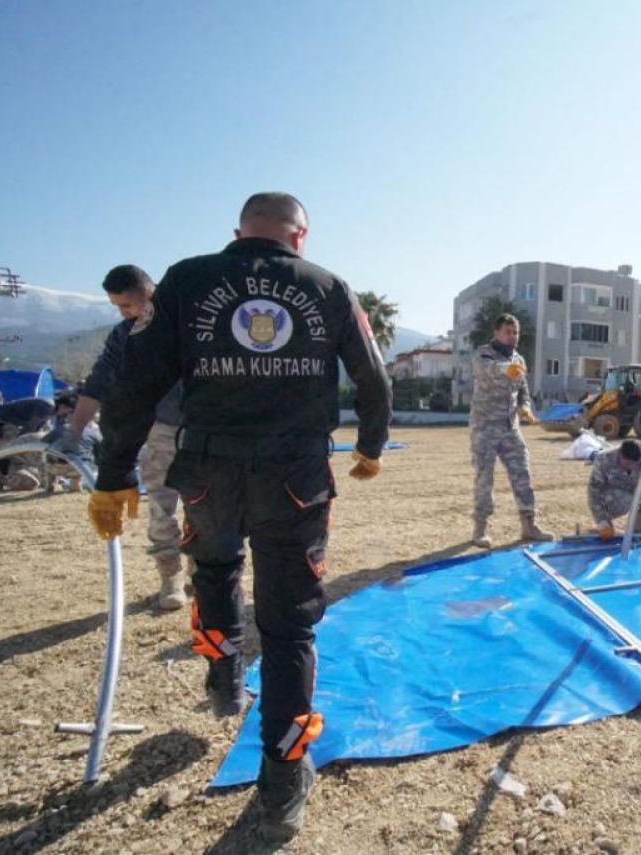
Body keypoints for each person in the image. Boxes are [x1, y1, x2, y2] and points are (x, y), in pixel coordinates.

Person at [87, 192, 392, 843]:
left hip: (207, 474)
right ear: (299, 237)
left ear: (239, 233)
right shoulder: (327, 285)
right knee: (288, 628)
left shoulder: (188, 279)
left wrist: (113, 474)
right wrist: (370, 443)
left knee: (215, 569)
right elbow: (373, 376)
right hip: (295, 479)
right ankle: (283, 781)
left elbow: (135, 382)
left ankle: (223, 674)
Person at [56, 264, 190, 610]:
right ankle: (170, 575)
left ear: (151, 292)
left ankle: (203, 576)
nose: (126, 313)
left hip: (204, 431)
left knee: (207, 510)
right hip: (159, 432)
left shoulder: (190, 320)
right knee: (162, 507)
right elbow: (99, 382)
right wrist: (75, 431)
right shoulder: (125, 335)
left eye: (130, 304)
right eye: (118, 307)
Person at [469, 313, 554, 547]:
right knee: (484, 476)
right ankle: (480, 528)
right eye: (507, 332)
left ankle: (529, 525)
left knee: (522, 472)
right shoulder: (483, 353)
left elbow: (523, 391)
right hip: (485, 427)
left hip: (510, 427)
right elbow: (488, 369)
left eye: (515, 332)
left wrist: (525, 408)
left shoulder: (520, 360)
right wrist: (506, 368)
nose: (512, 336)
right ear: (496, 333)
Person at [588, 439, 641, 540]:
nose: (631, 466)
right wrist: (601, 521)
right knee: (627, 499)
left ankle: (638, 523)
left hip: (634, 493)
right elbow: (594, 491)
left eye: (634, 463)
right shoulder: (604, 459)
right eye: (627, 463)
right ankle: (606, 525)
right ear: (620, 454)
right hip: (612, 499)